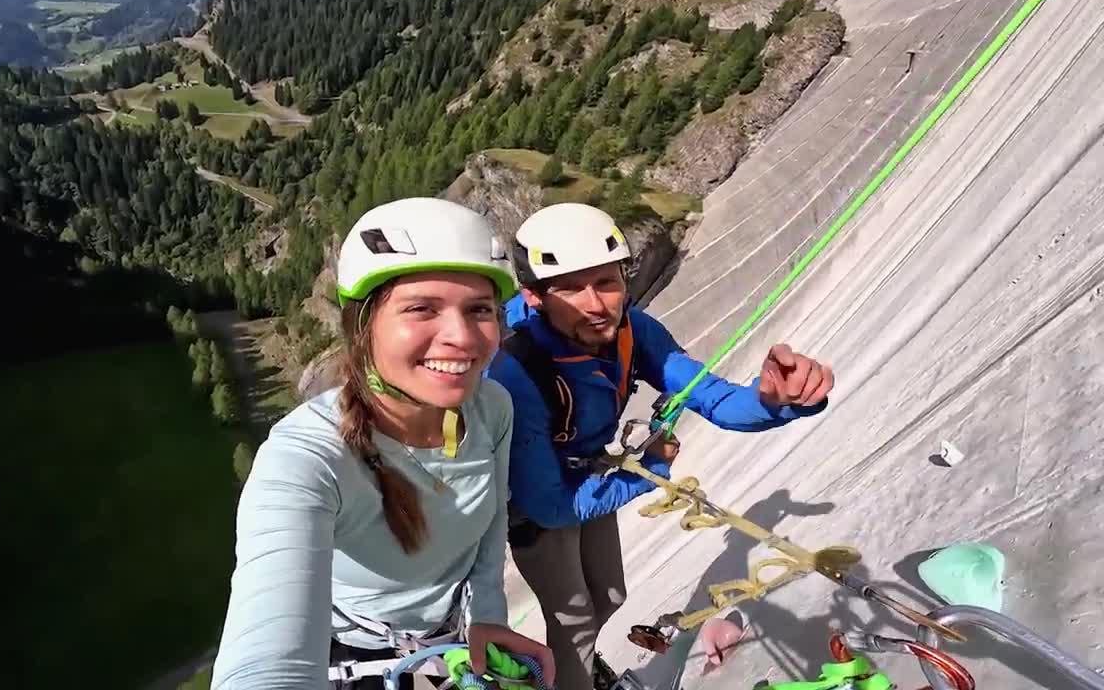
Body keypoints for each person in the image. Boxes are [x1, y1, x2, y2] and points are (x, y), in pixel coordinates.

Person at [486, 203, 835, 690]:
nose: (595, 303)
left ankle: (574, 667)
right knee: (574, 620)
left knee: (608, 595)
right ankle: (566, 675)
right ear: (535, 296)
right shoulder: (513, 369)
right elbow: (555, 508)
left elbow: (714, 400)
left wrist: (777, 399)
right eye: (571, 288)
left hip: (587, 474)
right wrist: (646, 469)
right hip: (533, 501)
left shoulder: (634, 330)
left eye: (607, 282)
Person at [210, 198, 554, 690]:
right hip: (358, 659)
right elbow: (265, 659)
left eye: (480, 309)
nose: (462, 336)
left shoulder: (491, 407)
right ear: (363, 327)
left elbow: (490, 520)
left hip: (452, 636)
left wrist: (489, 616)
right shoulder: (304, 459)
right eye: (421, 309)